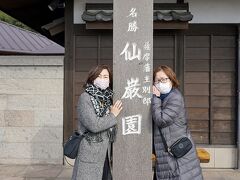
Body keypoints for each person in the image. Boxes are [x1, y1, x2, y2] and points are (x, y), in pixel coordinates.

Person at [71, 65, 123, 180]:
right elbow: (94, 125)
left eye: (106, 77)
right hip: (90, 152)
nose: (103, 79)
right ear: (92, 78)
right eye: (99, 76)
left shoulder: (108, 98)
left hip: (105, 152)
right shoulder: (85, 98)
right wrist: (112, 115)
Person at [152, 65, 203, 180]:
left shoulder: (174, 97)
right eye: (157, 80)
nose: (161, 82)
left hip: (179, 155)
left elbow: (161, 120)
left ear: (171, 79)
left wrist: (155, 97)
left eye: (164, 79)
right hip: (170, 154)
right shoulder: (162, 98)